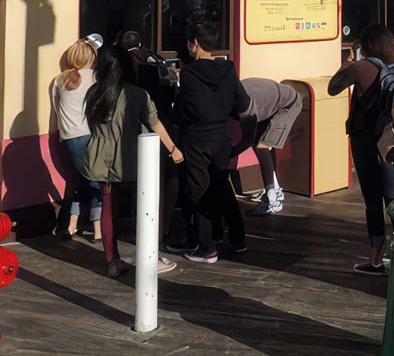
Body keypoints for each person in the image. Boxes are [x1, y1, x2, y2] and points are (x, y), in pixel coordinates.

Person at [84, 46, 183, 278]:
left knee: (109, 207)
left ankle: (111, 259)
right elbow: (154, 123)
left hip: (101, 156)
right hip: (133, 158)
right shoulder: (137, 94)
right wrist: (173, 149)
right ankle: (148, 256)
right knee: (144, 208)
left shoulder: (94, 93)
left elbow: (91, 126)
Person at [329, 23, 394, 275]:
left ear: (369, 45)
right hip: (388, 140)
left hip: (364, 141)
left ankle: (375, 259)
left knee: (372, 200)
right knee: (392, 195)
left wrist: (348, 61)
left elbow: (332, 88)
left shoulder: (362, 66)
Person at [173, 22, 250, 265]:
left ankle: (207, 248)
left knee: (199, 191)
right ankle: (238, 239)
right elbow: (243, 103)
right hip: (222, 137)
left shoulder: (188, 73)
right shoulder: (228, 68)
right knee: (221, 185)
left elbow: (183, 112)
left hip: (196, 138)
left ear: (194, 43)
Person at [50, 36, 102, 242]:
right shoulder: (95, 78)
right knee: (97, 182)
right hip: (91, 136)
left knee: (83, 180)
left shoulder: (59, 80)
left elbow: (55, 111)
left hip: (70, 139)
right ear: (92, 58)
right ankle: (98, 229)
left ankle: (71, 224)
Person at [231, 78, 302, 216]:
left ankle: (273, 200)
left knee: (261, 147)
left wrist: (231, 153)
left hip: (287, 105)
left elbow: (246, 139)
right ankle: (274, 190)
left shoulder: (243, 104)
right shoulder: (232, 92)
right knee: (256, 144)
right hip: (268, 105)